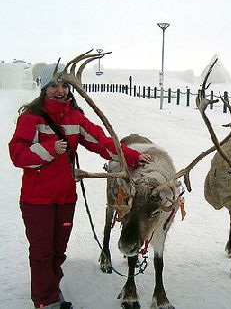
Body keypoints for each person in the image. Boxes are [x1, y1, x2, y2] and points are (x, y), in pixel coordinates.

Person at [9, 63, 152, 309]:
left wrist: (131, 156)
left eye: (64, 85)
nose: (59, 90)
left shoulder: (75, 117)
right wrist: (48, 149)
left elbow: (101, 140)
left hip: (65, 197)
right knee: (42, 252)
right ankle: (46, 300)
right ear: (43, 88)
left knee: (58, 252)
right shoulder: (30, 118)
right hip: (37, 199)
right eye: (53, 85)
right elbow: (17, 154)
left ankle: (51, 290)